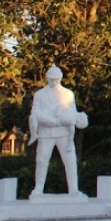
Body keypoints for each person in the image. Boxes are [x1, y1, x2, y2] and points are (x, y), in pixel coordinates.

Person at [29, 65, 89, 196]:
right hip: (46, 133)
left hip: (64, 134)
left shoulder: (68, 94)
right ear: (47, 78)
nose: (53, 82)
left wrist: (73, 117)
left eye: (56, 79)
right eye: (51, 79)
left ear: (60, 78)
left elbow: (72, 112)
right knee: (41, 160)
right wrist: (47, 119)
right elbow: (35, 113)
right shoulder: (39, 94)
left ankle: (73, 189)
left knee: (70, 160)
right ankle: (38, 188)